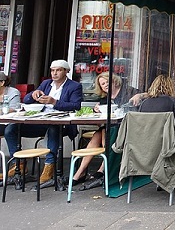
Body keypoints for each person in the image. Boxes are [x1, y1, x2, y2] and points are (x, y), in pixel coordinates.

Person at [4, 59, 83, 189]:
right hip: (40, 120)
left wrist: (54, 102)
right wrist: (33, 94)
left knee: (53, 128)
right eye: (52, 70)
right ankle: (19, 163)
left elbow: (76, 106)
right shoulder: (46, 84)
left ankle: (49, 167)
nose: (55, 73)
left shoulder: (74, 86)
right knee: (11, 129)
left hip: (61, 124)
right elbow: (28, 100)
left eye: (58, 70)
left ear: (66, 71)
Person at [71, 72, 135, 187]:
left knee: (103, 132)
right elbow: (100, 121)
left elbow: (146, 94)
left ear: (114, 81)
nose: (105, 85)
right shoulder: (104, 99)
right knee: (100, 133)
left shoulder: (128, 91)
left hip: (127, 128)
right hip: (110, 128)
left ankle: (92, 171)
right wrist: (97, 110)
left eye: (106, 82)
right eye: (102, 84)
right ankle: (84, 171)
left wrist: (140, 96)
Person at [138, 74, 175, 189]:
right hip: (168, 146)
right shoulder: (172, 101)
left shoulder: (144, 104)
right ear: (169, 87)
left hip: (147, 147)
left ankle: (162, 178)